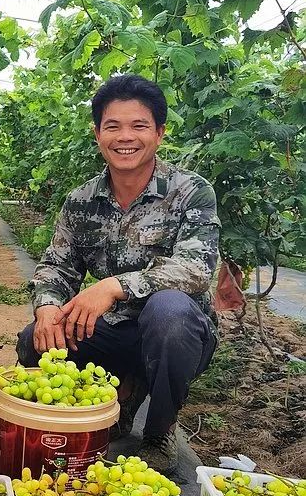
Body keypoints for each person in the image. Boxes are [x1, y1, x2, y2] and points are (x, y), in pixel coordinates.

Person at [16, 74, 220, 473]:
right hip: (116, 329)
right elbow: (57, 265)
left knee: (169, 313)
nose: (125, 137)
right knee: (34, 343)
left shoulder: (191, 191)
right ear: (98, 134)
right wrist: (46, 308)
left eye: (139, 125)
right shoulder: (81, 201)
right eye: (113, 126)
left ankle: (159, 433)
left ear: (159, 133)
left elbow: (196, 268)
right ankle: (113, 405)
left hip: (175, 334)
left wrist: (116, 285)